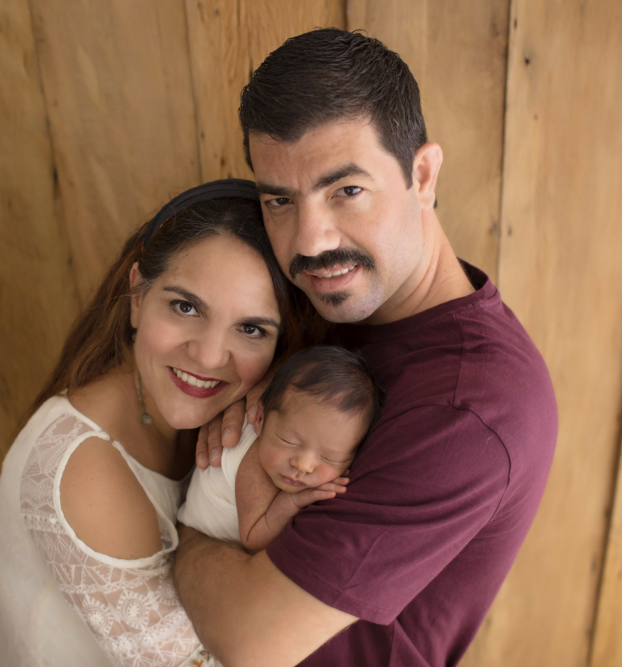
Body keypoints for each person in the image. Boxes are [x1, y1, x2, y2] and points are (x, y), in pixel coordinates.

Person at [174, 29, 559, 666]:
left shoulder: (473, 406)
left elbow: (253, 640)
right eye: (280, 199)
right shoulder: (319, 299)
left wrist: (191, 534)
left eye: (346, 190)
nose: (311, 240)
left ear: (423, 173)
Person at [0, 180, 310, 666]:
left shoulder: (245, 415)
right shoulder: (83, 469)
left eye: (250, 329)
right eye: (185, 307)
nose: (207, 355)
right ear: (138, 295)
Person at [177, 345, 384, 552]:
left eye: (330, 458)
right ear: (259, 418)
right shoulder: (255, 467)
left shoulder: (282, 449)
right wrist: (291, 501)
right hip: (203, 540)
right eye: (289, 442)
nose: (303, 465)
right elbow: (253, 538)